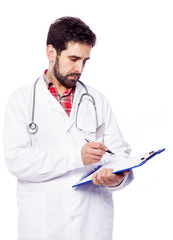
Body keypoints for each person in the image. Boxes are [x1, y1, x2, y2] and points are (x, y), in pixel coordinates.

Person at [3, 17, 133, 240]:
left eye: (85, 61)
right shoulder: (22, 101)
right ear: (52, 53)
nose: (80, 68)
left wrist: (118, 176)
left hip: (91, 225)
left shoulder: (97, 100)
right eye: (73, 59)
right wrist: (76, 157)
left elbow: (119, 153)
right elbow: (17, 161)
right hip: (43, 227)